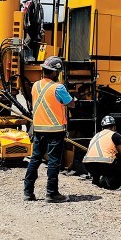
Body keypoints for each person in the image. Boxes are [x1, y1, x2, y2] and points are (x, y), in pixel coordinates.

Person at [23, 56, 75, 202]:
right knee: (53, 162)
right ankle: (51, 193)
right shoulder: (58, 87)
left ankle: (28, 192)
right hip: (54, 131)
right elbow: (70, 104)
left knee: (35, 159)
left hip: (39, 129)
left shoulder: (35, 86)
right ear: (54, 72)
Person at [83, 115, 121, 189]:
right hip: (105, 165)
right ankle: (111, 180)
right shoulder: (115, 135)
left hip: (88, 164)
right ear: (114, 127)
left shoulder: (96, 135)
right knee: (120, 160)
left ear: (102, 128)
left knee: (99, 167)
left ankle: (96, 178)